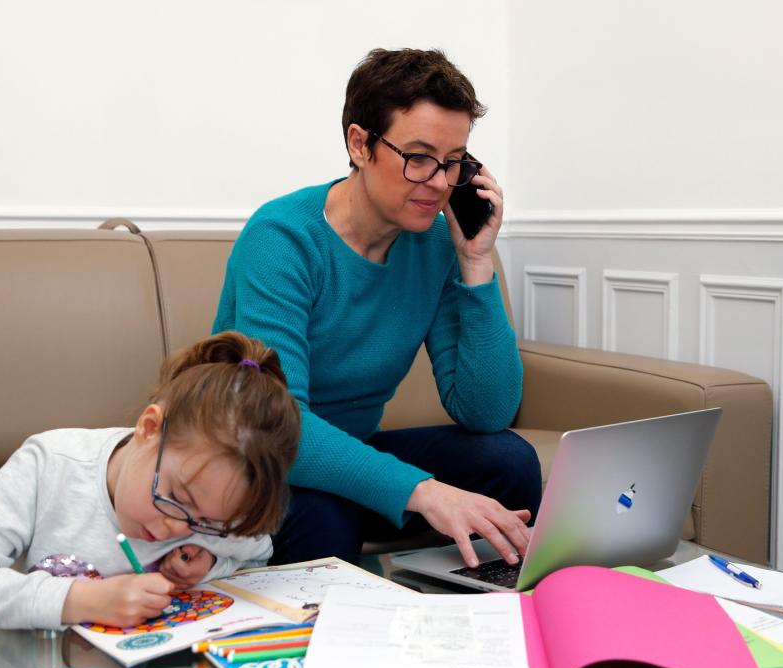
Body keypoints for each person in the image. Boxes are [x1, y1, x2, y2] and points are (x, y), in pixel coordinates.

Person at [213, 48, 542, 570]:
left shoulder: (436, 242)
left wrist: (476, 263)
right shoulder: (282, 239)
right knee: (325, 517)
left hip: (351, 456)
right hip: (257, 466)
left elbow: (486, 412)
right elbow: (278, 429)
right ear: (360, 143)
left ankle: (486, 610)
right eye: (418, 157)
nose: (438, 182)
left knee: (509, 461)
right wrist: (428, 492)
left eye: (454, 161)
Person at [0, 331, 301, 630]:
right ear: (149, 428)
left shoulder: (217, 502)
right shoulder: (51, 465)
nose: (179, 528)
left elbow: (255, 555)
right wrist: (81, 599)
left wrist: (211, 564)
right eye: (175, 498)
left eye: (209, 522)